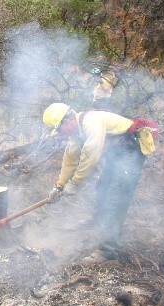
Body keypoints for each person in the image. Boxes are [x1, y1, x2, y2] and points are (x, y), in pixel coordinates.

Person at [43, 103, 147, 261]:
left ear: (67, 121)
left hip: (132, 149)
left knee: (115, 198)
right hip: (119, 149)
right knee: (103, 188)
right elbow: (70, 159)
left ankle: (108, 250)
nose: (59, 134)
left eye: (58, 130)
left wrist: (76, 182)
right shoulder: (77, 132)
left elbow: (90, 154)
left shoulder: (90, 121)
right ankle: (98, 222)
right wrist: (59, 186)